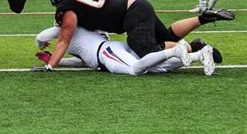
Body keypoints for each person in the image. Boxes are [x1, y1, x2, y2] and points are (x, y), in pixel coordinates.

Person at [31, 0, 235, 72]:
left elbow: (64, 39)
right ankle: (202, 18)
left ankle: (194, 47)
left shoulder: (68, 7)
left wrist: (50, 65)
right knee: (167, 37)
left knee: (147, 53)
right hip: (136, 4)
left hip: (130, 14)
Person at [33, 26, 219, 76]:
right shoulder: (83, 23)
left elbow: (42, 36)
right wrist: (57, 61)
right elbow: (84, 62)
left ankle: (175, 51)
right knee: (155, 67)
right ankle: (198, 54)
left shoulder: (68, 25)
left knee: (135, 69)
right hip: (114, 47)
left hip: (105, 52)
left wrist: (40, 44)